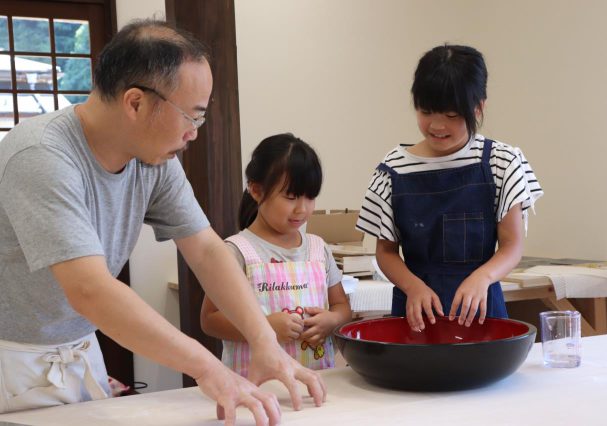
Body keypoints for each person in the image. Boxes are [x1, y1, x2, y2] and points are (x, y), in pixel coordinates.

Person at [0, 19, 326, 424]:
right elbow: (90, 290)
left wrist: (264, 341)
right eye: (192, 116)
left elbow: (205, 249)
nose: (194, 133)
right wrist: (210, 369)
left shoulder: (152, 157)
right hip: (13, 361)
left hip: (79, 350)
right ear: (135, 103)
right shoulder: (42, 156)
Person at [356, 45, 543, 332]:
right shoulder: (393, 168)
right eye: (426, 111)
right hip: (415, 313)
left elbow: (512, 246)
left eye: (452, 114)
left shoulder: (502, 162)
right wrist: (413, 287)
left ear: (479, 107)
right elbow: (386, 252)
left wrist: (482, 277)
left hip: (482, 312)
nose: (437, 125)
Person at [201, 133, 352, 377]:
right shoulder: (236, 251)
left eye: (310, 197)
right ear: (256, 190)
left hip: (315, 383)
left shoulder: (318, 249)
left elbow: (342, 306)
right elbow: (210, 320)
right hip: (255, 389)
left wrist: (332, 320)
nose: (302, 209)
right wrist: (263, 327)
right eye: (290, 197)